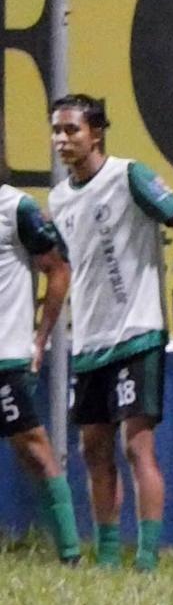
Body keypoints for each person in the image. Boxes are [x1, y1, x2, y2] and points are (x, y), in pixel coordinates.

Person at [49, 94, 173, 571]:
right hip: (89, 342)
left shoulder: (129, 177)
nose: (62, 139)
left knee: (136, 445)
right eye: (57, 130)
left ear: (96, 133)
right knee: (92, 449)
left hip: (137, 332)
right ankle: (106, 556)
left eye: (72, 130)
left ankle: (146, 558)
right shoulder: (59, 199)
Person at [0, 167, 80, 564]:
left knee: (32, 447)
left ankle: (70, 553)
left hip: (6, 355)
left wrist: (40, 338)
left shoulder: (16, 208)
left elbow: (59, 268)